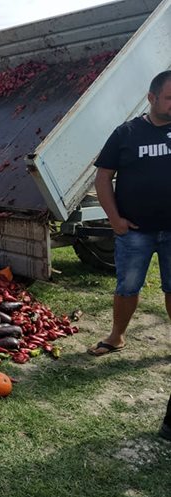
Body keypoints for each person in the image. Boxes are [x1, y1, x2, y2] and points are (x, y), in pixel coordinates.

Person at [88, 69, 171, 358]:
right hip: (135, 231)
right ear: (151, 97)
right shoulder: (127, 133)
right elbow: (103, 177)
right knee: (128, 287)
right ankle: (117, 336)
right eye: (170, 98)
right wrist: (114, 220)